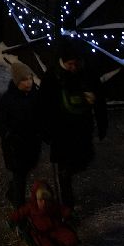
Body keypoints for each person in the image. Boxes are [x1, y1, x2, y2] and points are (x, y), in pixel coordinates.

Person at [39, 42, 109, 212]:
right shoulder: (52, 76)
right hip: (61, 130)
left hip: (82, 127)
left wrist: (101, 123)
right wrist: (45, 130)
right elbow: (42, 105)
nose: (73, 68)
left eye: (76, 64)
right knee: (64, 170)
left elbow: (100, 101)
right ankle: (66, 207)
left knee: (82, 161)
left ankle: (67, 180)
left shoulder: (88, 73)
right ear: (63, 62)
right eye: (70, 64)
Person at [0, 59, 45, 209]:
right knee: (20, 176)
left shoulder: (36, 96)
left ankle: (13, 191)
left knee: (23, 173)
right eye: (24, 80)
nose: (28, 83)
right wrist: (8, 135)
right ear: (16, 82)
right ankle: (19, 210)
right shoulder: (8, 100)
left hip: (32, 143)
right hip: (15, 147)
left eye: (29, 78)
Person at [9, 178, 79, 246]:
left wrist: (69, 213)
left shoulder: (52, 205)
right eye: (41, 200)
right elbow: (20, 213)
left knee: (70, 238)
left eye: (47, 200)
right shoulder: (31, 207)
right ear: (36, 199)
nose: (44, 203)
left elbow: (62, 209)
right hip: (40, 233)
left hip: (56, 228)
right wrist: (12, 219)